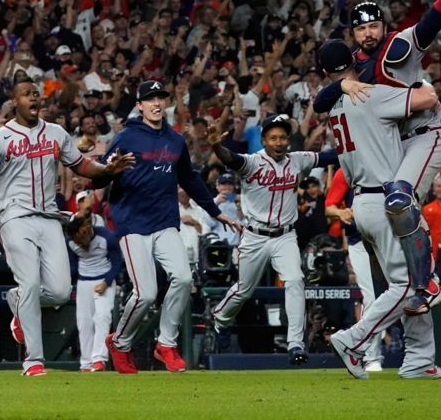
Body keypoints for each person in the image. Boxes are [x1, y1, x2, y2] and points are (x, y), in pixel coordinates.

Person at [312, 0, 441, 313]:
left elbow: (429, 25)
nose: (368, 33)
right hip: (398, 142)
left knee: (399, 197)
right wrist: (342, 82)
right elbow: (320, 101)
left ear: (384, 26)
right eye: (361, 29)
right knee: (396, 209)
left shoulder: (398, 44)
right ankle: (418, 297)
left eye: (374, 26)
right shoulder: (354, 65)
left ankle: (427, 285)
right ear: (353, 34)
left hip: (425, 135)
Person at [0, 74, 133, 376]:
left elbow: (81, 165)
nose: (34, 98)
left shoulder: (56, 133)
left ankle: (17, 301)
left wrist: (106, 170)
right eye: (26, 94)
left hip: (49, 216)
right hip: (13, 217)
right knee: (30, 282)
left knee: (58, 291)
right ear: (14, 101)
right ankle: (33, 361)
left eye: (36, 93)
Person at [317, 40, 441, 379]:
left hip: (362, 200)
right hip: (384, 200)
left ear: (325, 73)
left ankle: (420, 361)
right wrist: (416, 78)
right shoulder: (370, 94)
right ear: (354, 60)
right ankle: (354, 339)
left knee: (407, 283)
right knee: (410, 286)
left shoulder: (334, 104)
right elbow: (427, 99)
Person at [96, 80, 240, 374]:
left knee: (184, 278)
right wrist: (110, 168)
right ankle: (120, 343)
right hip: (132, 222)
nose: (156, 103)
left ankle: (166, 343)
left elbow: (190, 179)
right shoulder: (126, 137)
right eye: (150, 98)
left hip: (164, 221)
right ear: (139, 105)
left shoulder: (175, 141)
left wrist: (215, 211)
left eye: (161, 97)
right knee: (145, 293)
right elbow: (98, 176)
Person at [207, 113, 338, 365]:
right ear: (264, 140)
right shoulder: (252, 162)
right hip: (255, 236)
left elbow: (330, 157)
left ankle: (295, 344)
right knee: (244, 290)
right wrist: (215, 145)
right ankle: (220, 319)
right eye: (273, 137)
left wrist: (358, 145)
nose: (278, 142)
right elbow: (230, 158)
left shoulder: (297, 160)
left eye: (282, 137)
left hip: (285, 236)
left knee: (295, 281)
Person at [325, 168, 384, 372]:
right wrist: (340, 211)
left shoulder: (387, 165)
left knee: (400, 293)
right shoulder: (346, 170)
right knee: (371, 297)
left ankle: (414, 354)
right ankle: (371, 356)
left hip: (388, 238)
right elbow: (328, 207)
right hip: (359, 240)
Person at [65, 214, 122, 373]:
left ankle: (99, 359)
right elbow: (73, 267)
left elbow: (117, 262)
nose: (82, 245)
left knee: (102, 318)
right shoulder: (69, 242)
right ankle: (86, 362)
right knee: (84, 323)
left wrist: (107, 282)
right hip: (83, 283)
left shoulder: (107, 237)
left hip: (104, 279)